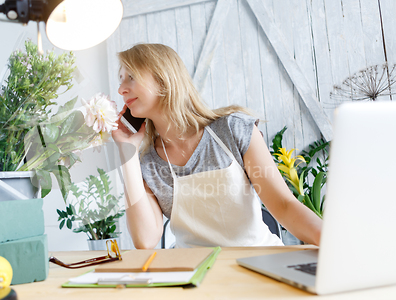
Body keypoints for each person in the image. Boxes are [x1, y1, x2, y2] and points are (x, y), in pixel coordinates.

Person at [112, 43, 322, 249]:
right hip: (194, 275)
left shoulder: (232, 130)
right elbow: (145, 240)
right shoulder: (147, 163)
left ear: (163, 79)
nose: (121, 89)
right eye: (120, 80)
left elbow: (285, 206)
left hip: (260, 263)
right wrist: (127, 152)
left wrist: (326, 238)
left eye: (131, 77)